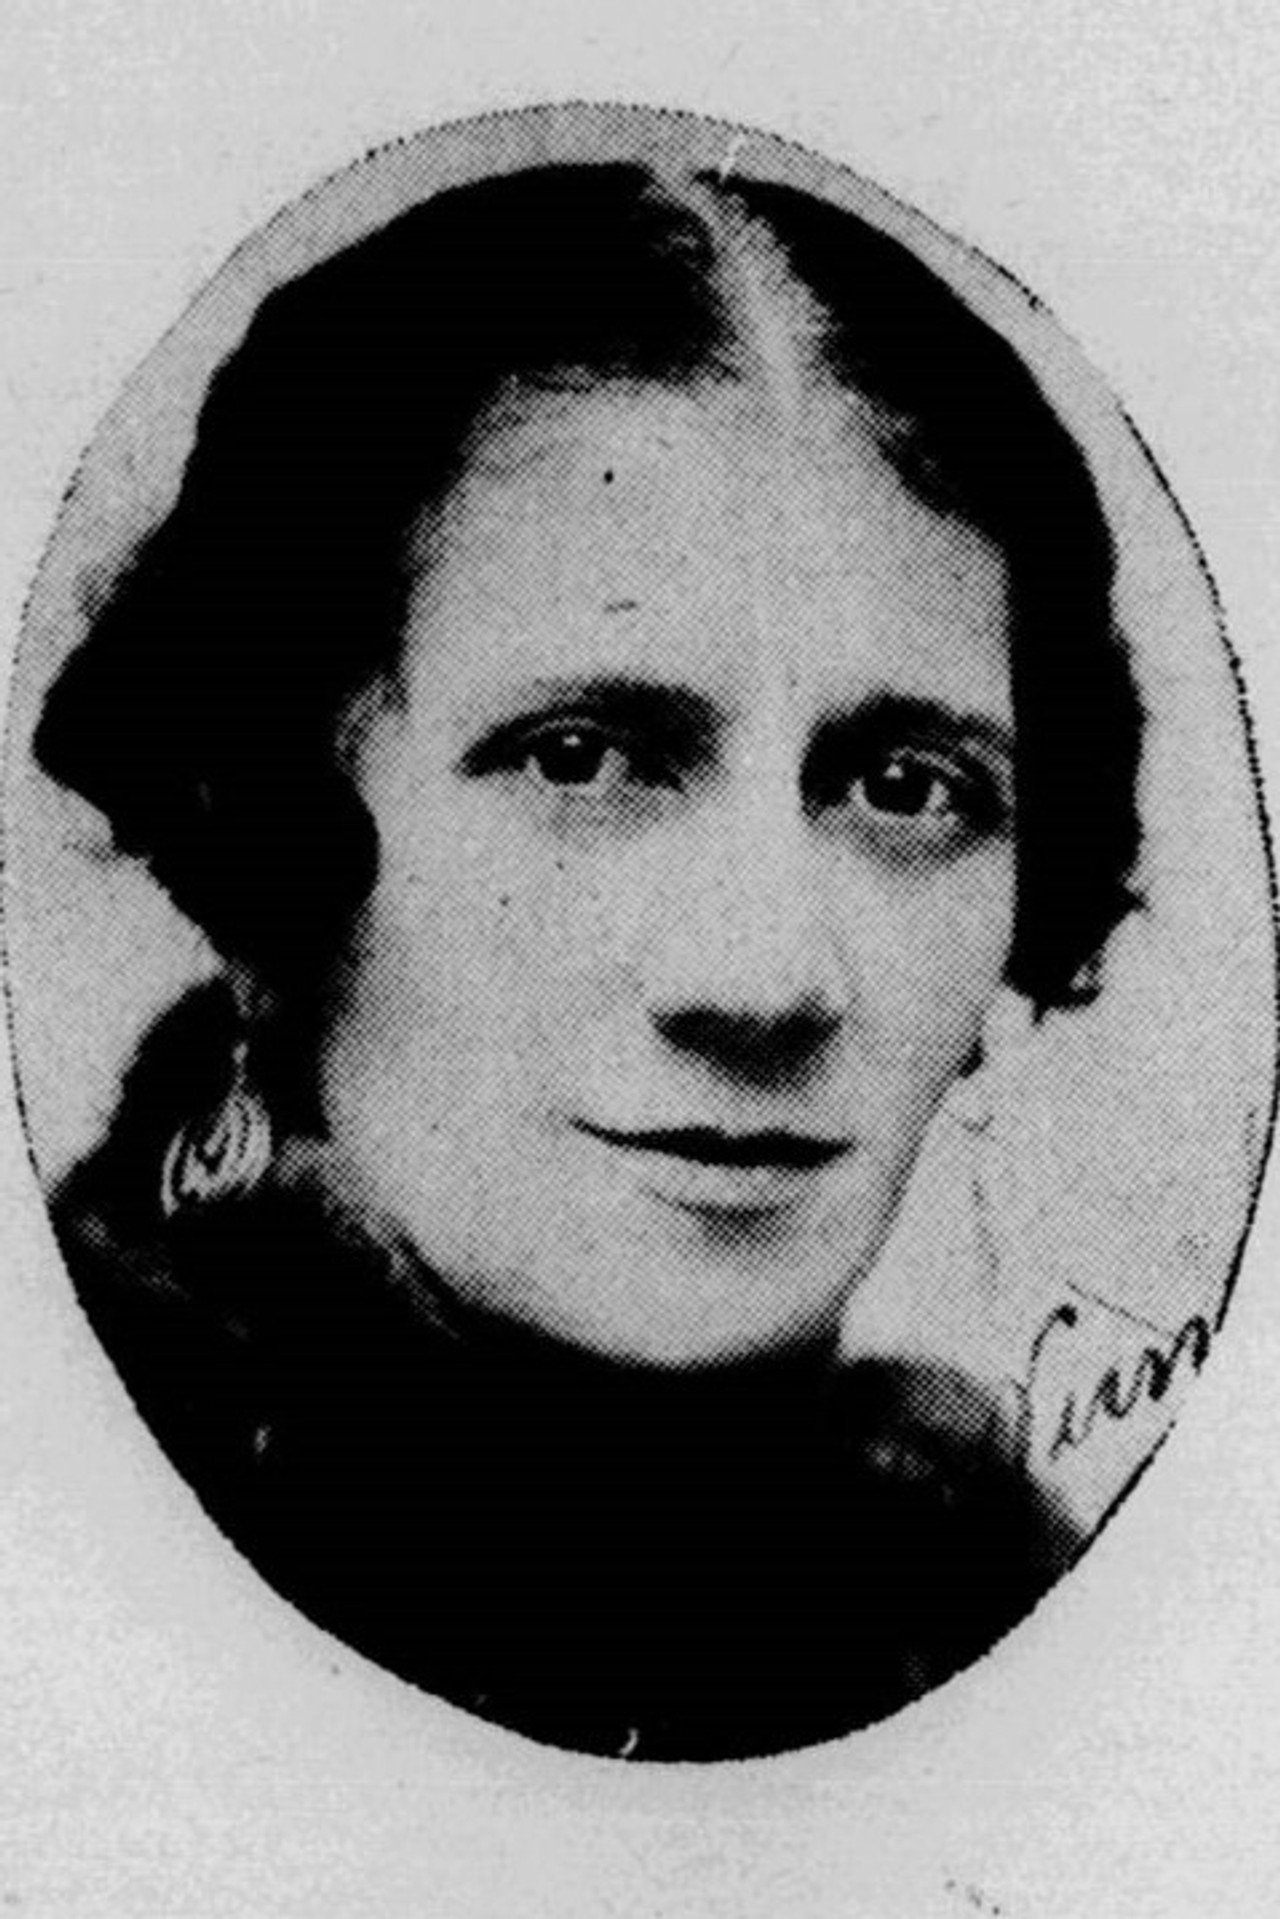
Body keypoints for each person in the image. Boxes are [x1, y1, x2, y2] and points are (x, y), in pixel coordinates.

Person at [31, 160, 1143, 1759]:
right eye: (584, 759)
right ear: (273, 821)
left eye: (907, 790)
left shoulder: (1001, 1623)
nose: (765, 981)